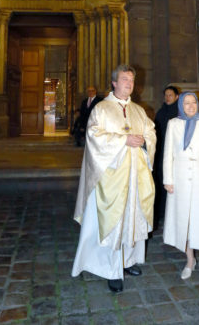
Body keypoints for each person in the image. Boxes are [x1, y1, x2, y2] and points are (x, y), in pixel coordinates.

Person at [71, 65, 156, 293]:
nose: (129, 83)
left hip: (135, 176)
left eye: (131, 80)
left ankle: (126, 262)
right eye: (124, 79)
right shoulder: (102, 109)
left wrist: (146, 142)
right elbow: (94, 135)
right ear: (114, 83)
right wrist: (124, 141)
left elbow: (150, 131)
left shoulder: (138, 110)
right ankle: (111, 269)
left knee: (132, 217)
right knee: (114, 221)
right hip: (110, 180)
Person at [163, 92, 199, 285]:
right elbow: (168, 154)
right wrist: (168, 179)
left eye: (193, 103)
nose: (190, 106)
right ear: (181, 105)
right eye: (186, 103)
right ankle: (190, 261)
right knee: (185, 223)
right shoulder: (173, 124)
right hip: (180, 181)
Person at [153, 85, 179, 229]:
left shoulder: (180, 112)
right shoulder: (161, 112)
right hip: (162, 152)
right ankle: (163, 212)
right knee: (162, 180)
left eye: (170, 95)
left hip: (176, 153)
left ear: (177, 97)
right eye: (166, 95)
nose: (168, 97)